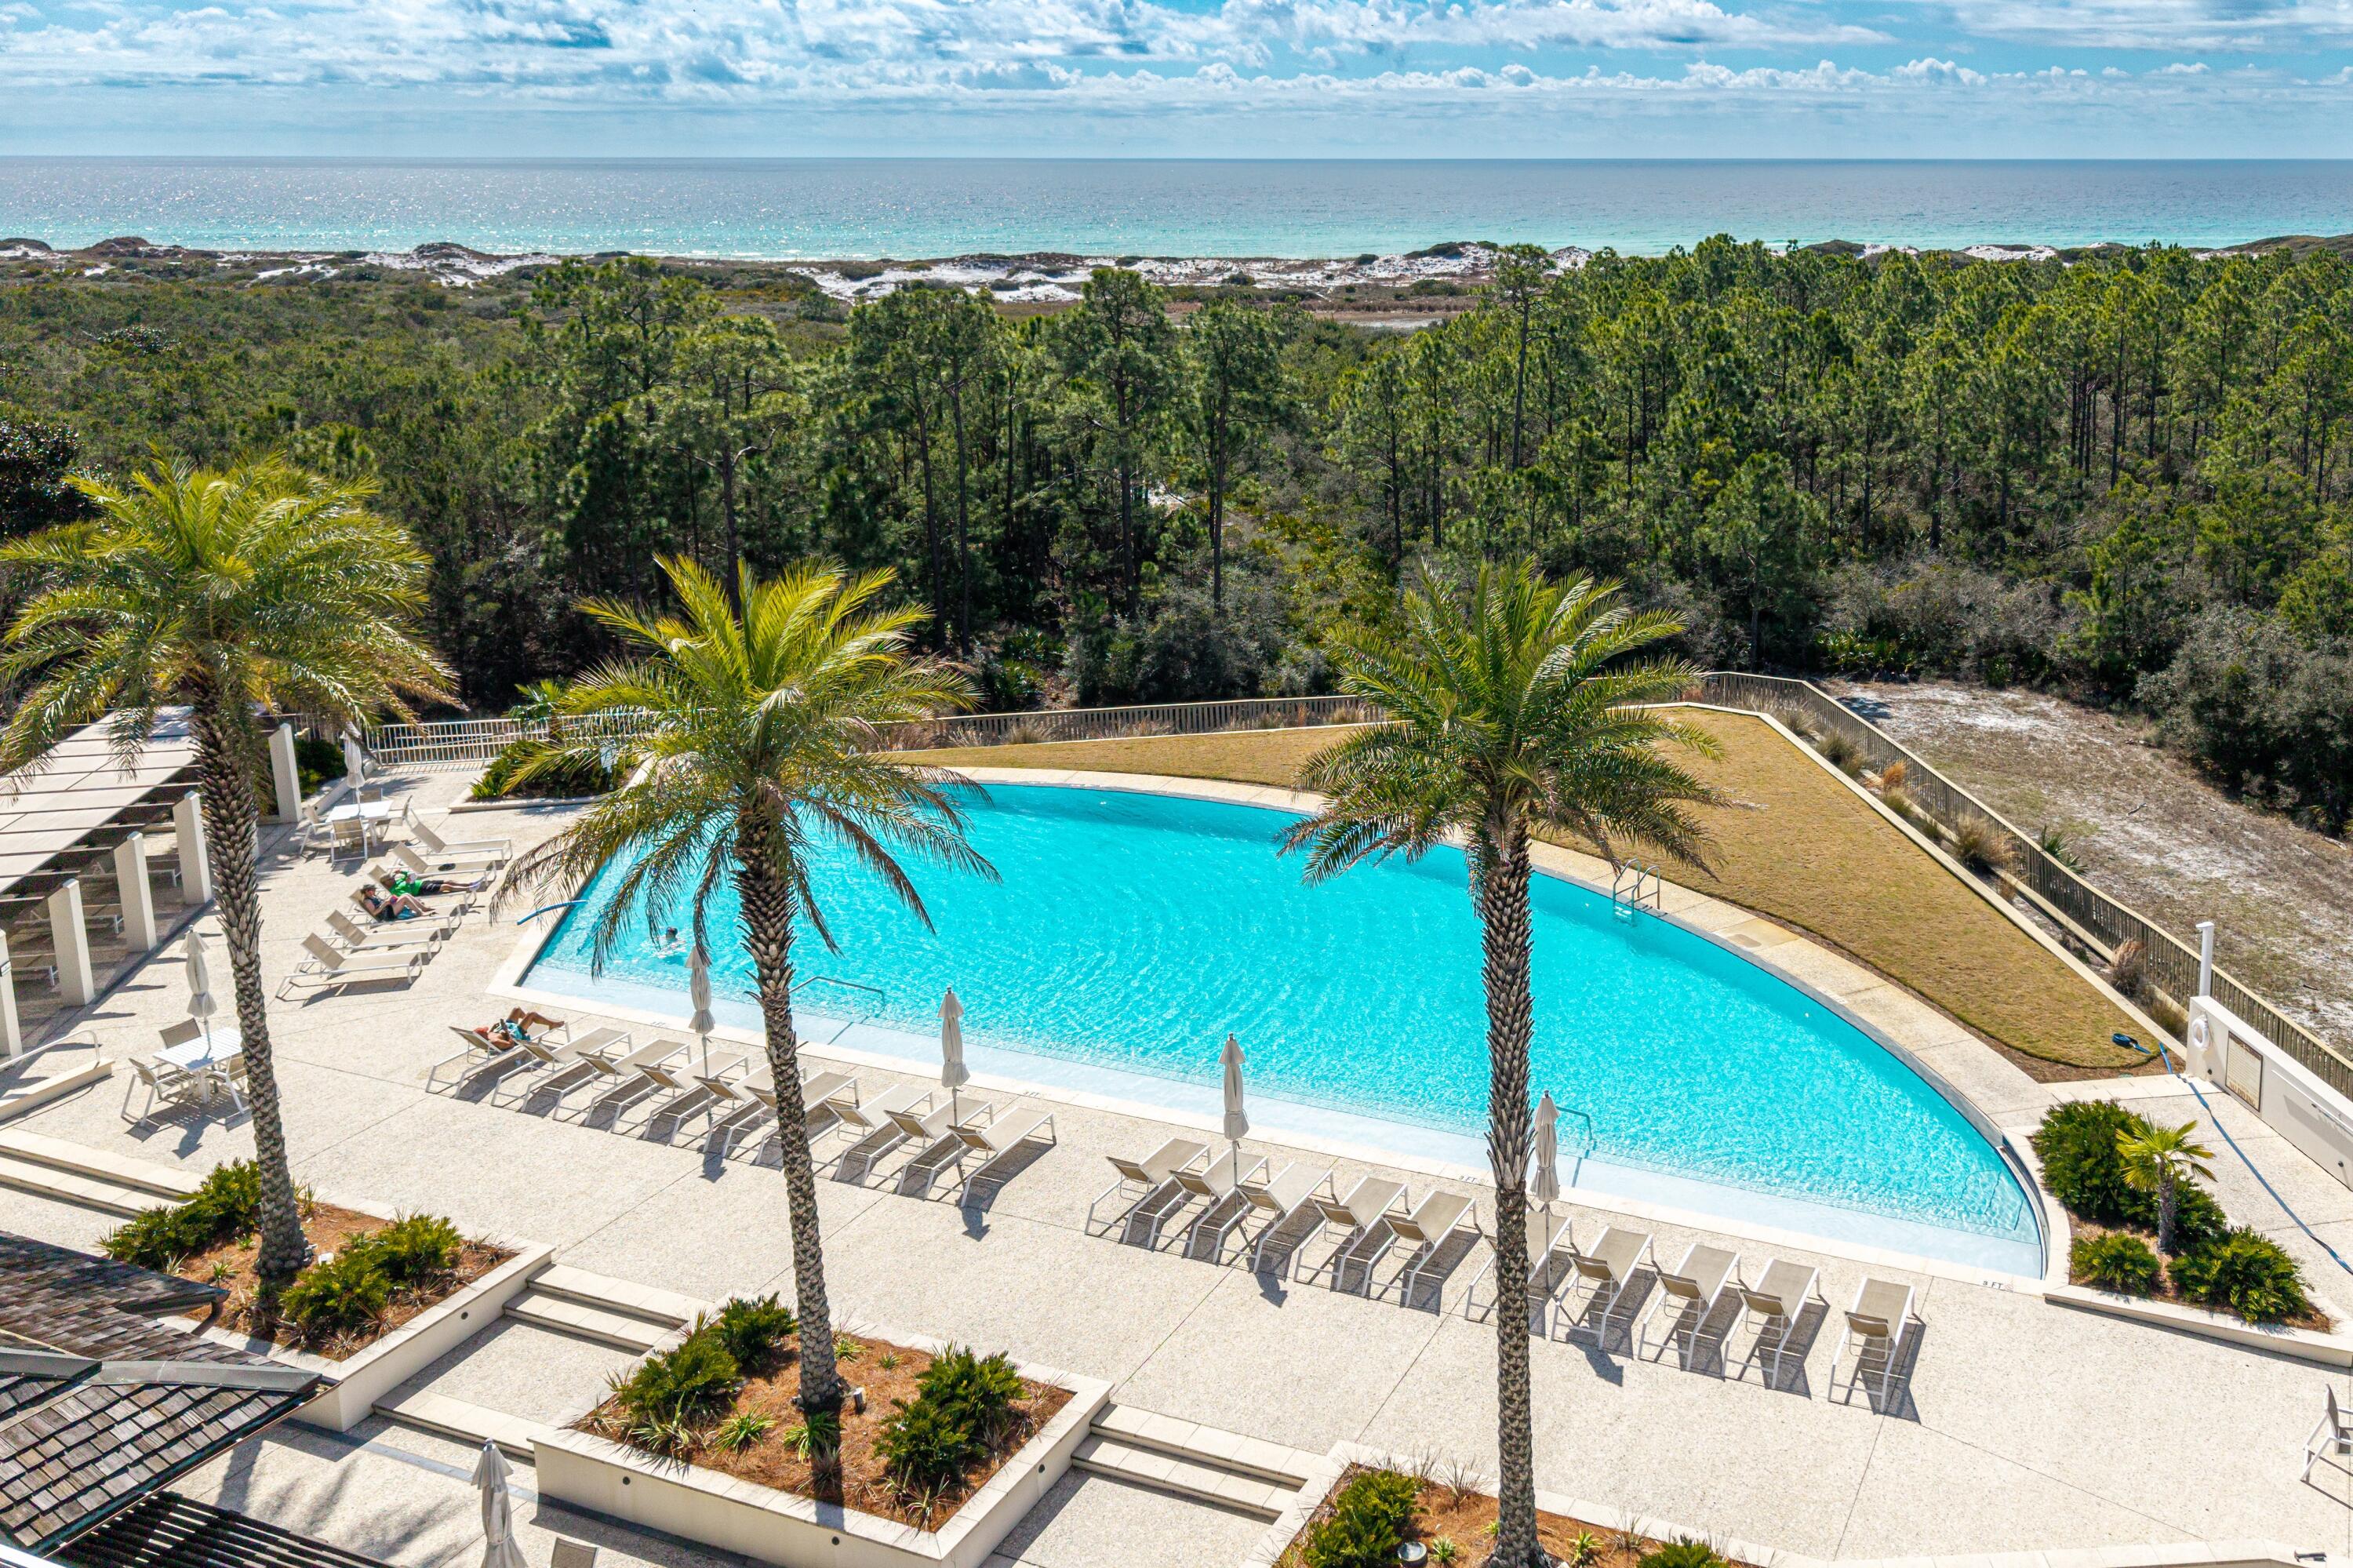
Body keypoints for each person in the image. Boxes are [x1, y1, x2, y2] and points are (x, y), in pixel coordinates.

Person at [479, 1007, 563, 1047]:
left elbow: (491, 1034)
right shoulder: (495, 1042)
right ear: (483, 1036)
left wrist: (494, 1028)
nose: (486, 1032)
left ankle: (531, 1021)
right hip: (516, 1034)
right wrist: (506, 1031)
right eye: (484, 1032)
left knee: (517, 1010)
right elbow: (511, 1044)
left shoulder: (487, 1037)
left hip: (508, 1027)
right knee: (532, 1014)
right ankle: (550, 1024)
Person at [387, 867, 485, 897]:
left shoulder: (398, 881)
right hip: (421, 890)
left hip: (422, 883)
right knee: (446, 886)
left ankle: (470, 883)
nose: (393, 878)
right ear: (387, 883)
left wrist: (401, 872)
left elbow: (411, 875)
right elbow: (408, 895)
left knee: (448, 881)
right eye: (391, 878)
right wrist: (408, 884)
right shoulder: (395, 890)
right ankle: (470, 888)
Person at [358, 884, 432, 922]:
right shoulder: (367, 901)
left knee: (405, 895)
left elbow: (382, 904)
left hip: (388, 909)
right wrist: (385, 904)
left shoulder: (373, 896)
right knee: (405, 898)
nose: (374, 891)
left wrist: (389, 900)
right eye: (372, 890)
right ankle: (420, 912)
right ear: (366, 891)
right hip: (386, 915)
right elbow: (374, 913)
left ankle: (424, 908)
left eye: (374, 890)